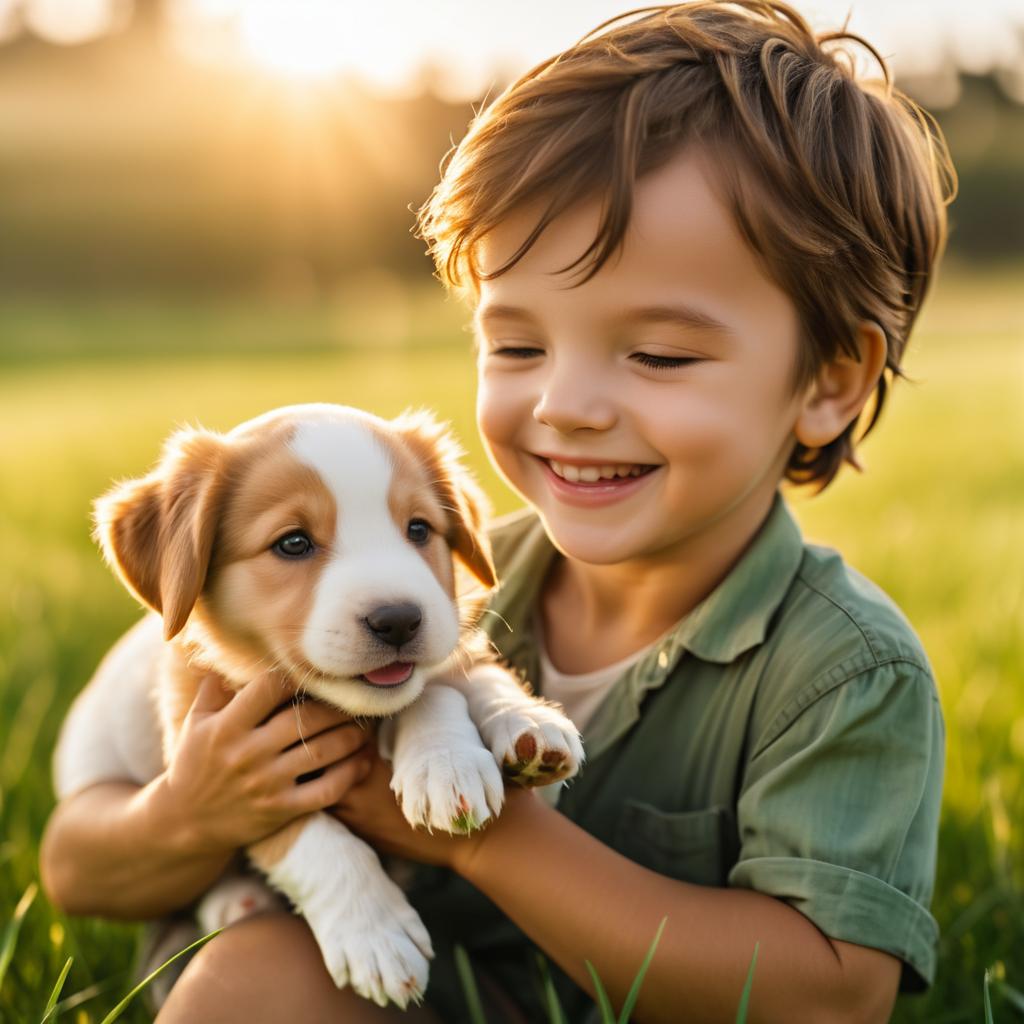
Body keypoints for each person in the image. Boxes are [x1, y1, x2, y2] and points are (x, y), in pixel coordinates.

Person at [41, 2, 954, 1021]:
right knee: (251, 979)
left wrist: (474, 834)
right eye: (518, 347)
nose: (565, 403)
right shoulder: (422, 580)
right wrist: (191, 812)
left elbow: (825, 1000)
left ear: (828, 384)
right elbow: (76, 869)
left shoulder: (845, 673)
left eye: (656, 352)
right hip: (392, 991)